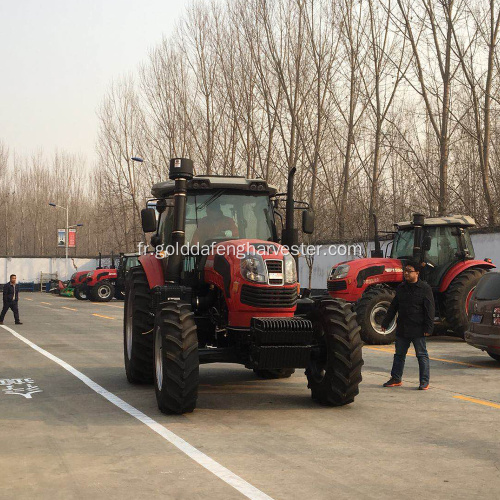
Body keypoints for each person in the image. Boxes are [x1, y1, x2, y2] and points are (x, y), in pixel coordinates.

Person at [381, 261, 434, 390]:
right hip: (403, 328)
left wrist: (428, 327)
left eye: (409, 271)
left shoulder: (424, 288)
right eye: (405, 271)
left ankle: (424, 381)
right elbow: (394, 306)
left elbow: (429, 309)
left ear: (417, 273)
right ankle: (396, 378)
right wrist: (385, 322)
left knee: (421, 355)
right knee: (399, 355)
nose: (406, 273)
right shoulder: (401, 288)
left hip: (418, 328)